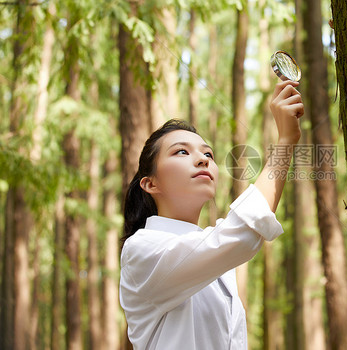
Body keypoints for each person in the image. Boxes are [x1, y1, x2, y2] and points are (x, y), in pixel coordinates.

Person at [119, 80, 304, 349]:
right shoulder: (141, 250)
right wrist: (286, 140)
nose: (203, 159)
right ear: (150, 184)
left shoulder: (216, 262)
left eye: (208, 153)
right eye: (181, 151)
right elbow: (240, 235)